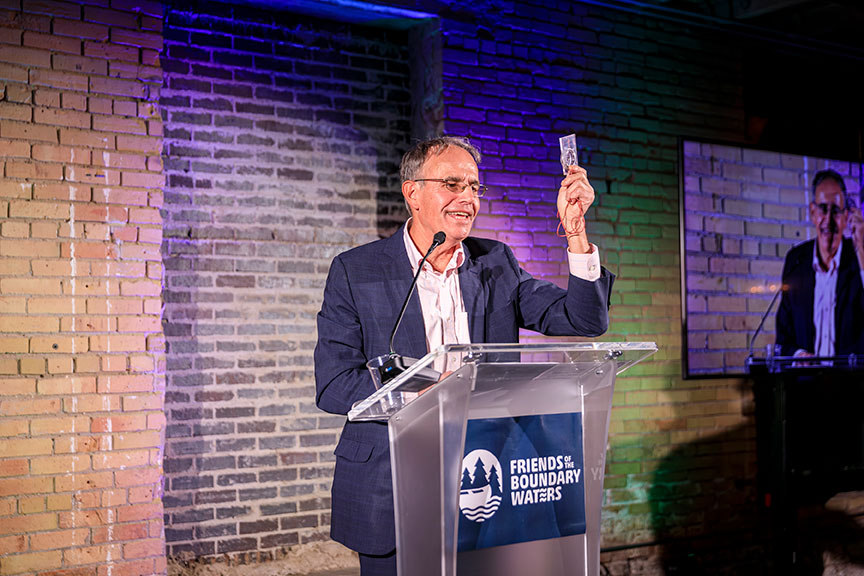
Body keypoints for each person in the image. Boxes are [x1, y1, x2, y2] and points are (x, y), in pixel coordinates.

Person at [314, 136, 614, 575]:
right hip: (394, 482)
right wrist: (431, 391)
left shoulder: (496, 262)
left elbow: (583, 321)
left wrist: (575, 231)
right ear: (412, 191)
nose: (468, 198)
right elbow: (334, 384)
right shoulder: (356, 270)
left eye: (474, 187)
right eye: (452, 184)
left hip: (487, 478)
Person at [775, 168, 864, 357]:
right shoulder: (796, 261)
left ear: (847, 216)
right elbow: (783, 340)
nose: (828, 220)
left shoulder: (859, 257)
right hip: (807, 384)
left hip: (851, 384)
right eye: (823, 209)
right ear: (813, 212)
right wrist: (798, 355)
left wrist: (862, 249)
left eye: (837, 211)